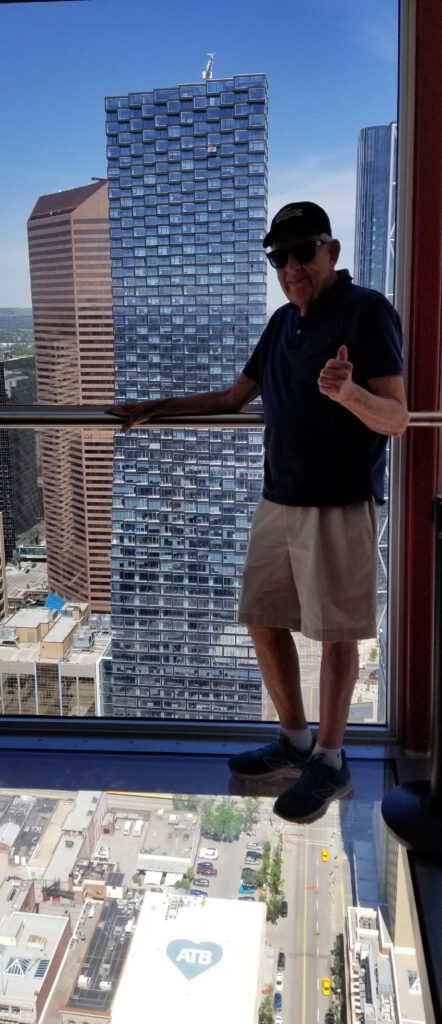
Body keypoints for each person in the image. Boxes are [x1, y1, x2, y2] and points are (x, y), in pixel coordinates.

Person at [106, 201, 408, 824]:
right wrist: (151, 408)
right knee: (263, 621)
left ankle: (330, 758)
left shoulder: (367, 311)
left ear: (332, 252)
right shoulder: (281, 324)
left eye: (304, 251)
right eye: (279, 256)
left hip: (339, 501)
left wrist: (347, 393)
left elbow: (397, 418)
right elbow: (231, 397)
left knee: (335, 636)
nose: (292, 266)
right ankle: (295, 744)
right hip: (279, 499)